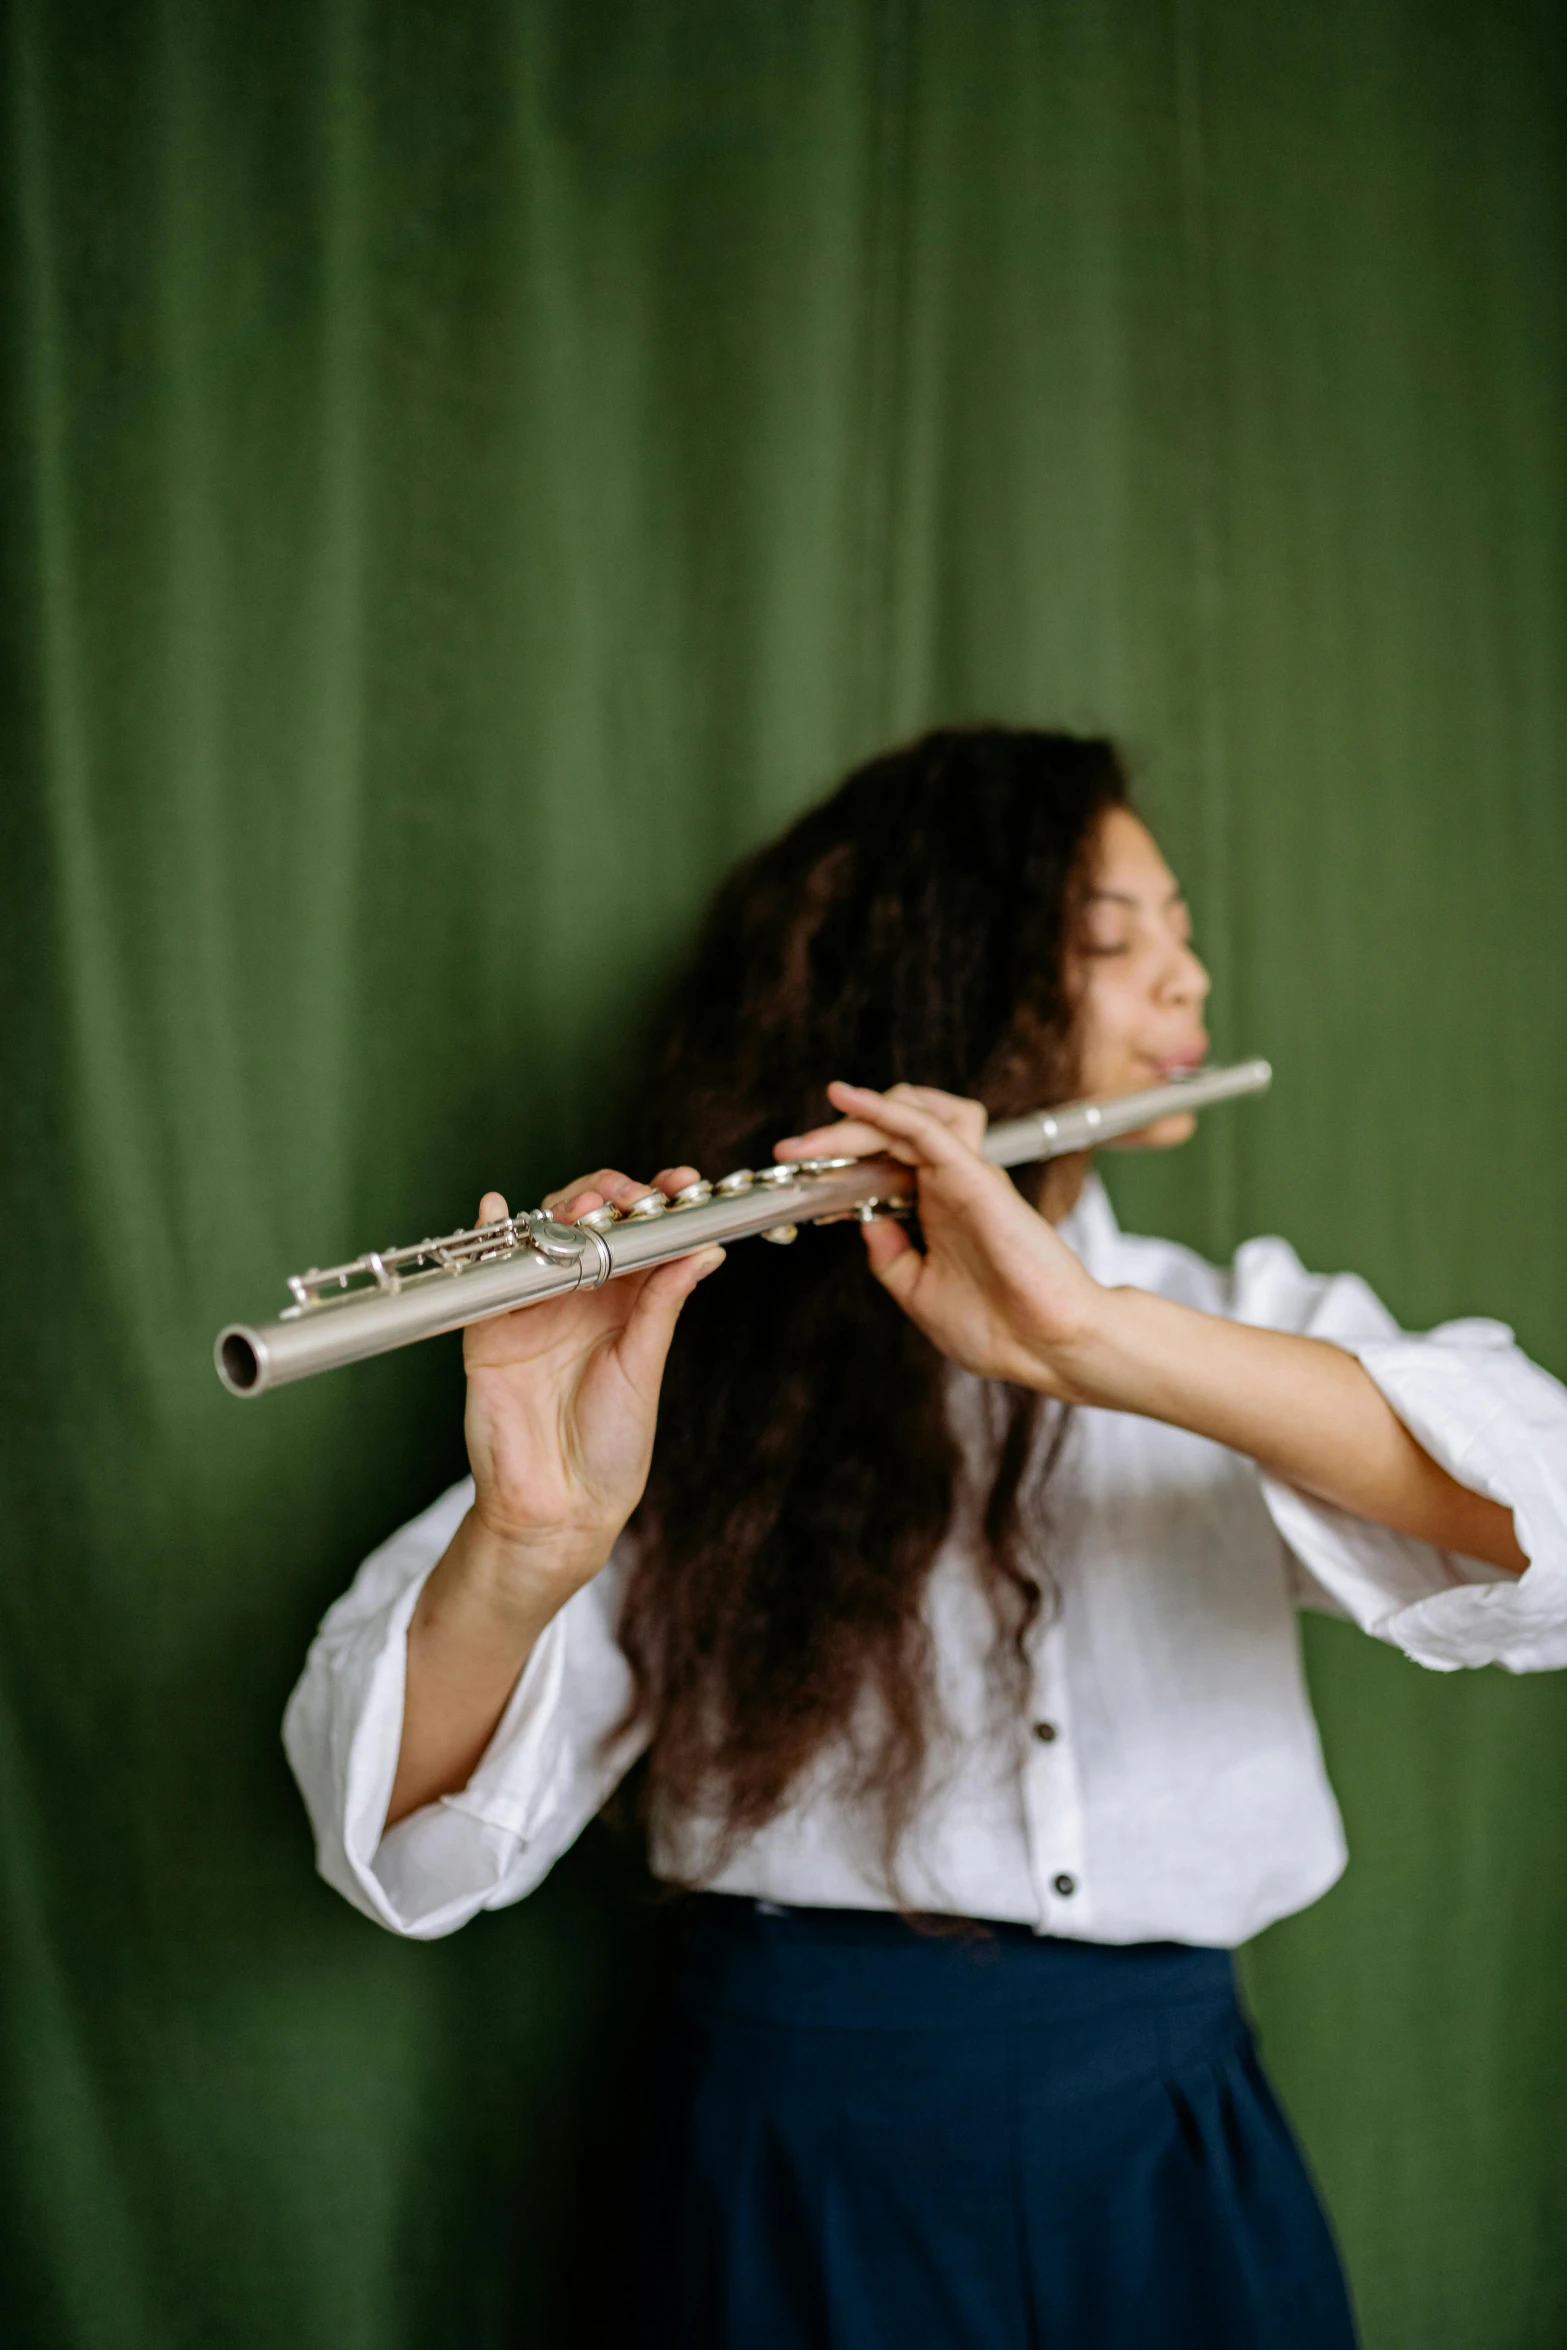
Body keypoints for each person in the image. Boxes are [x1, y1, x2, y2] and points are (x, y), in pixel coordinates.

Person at [284, 728, 1567, 2350]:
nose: (1187, 976)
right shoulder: (691, 1358)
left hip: (1167, 2131)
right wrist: (532, 1541)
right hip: (798, 2141)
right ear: (955, 971)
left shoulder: (1230, 1329)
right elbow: (384, 1836)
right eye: (1116, 937)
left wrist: (1094, 1338)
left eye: (1178, 926)